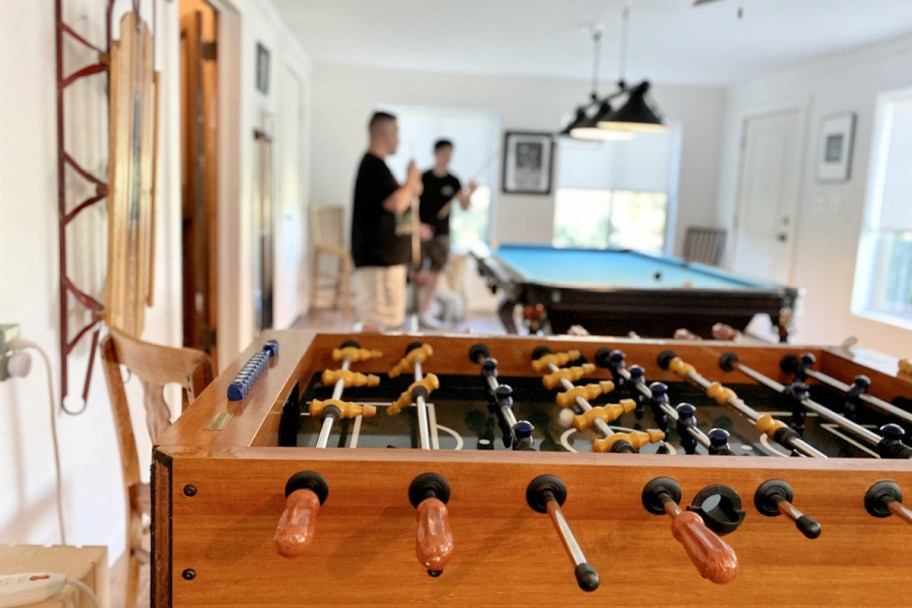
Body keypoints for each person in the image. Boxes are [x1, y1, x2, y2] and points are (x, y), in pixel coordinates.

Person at [350, 111, 423, 330]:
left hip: (386, 262)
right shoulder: (372, 166)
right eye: (396, 133)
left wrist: (412, 186)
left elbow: (403, 198)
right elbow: (396, 203)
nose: (398, 140)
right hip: (378, 262)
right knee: (377, 326)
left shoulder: (380, 167)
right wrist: (410, 178)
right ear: (384, 134)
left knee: (389, 324)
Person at [415, 139, 476, 327]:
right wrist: (418, 226)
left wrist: (469, 193)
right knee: (416, 273)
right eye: (444, 152)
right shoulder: (423, 177)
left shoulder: (453, 180)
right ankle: (420, 308)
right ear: (436, 153)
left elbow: (465, 206)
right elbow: (409, 206)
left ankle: (425, 310)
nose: (447, 157)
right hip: (421, 231)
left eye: (450, 153)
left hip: (442, 234)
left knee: (435, 272)